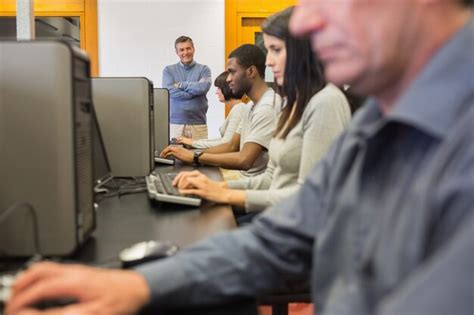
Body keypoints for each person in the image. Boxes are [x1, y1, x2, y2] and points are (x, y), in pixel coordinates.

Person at [6, 0, 474, 314]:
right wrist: (140, 285)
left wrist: (222, 188)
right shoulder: (375, 122)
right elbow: (282, 237)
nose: (307, 23)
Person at [173, 7, 351, 216]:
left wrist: (225, 195)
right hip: (275, 215)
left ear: (300, 51)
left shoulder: (326, 102)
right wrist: (217, 188)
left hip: (291, 228)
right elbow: (270, 179)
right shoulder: (290, 103)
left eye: (276, 49)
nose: (268, 61)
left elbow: (310, 197)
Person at [161, 44, 279, 177]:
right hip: (245, 179)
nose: (228, 79)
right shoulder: (250, 106)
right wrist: (191, 153)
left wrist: (194, 156)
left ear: (251, 71)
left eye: (232, 72)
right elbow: (231, 146)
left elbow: (244, 160)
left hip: (254, 185)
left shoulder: (267, 106)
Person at [177, 71, 246, 149]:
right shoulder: (237, 108)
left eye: (219, 88)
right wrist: (193, 142)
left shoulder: (239, 109)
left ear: (228, 88)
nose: (217, 92)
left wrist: (193, 143)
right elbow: (223, 140)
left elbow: (226, 143)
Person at [163, 36, 211, 140]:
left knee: (199, 155)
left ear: (193, 49)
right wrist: (194, 91)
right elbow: (169, 91)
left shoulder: (204, 69)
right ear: (177, 52)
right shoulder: (168, 70)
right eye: (181, 50)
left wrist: (181, 85)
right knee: (175, 155)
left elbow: (203, 87)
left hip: (198, 124)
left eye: (188, 48)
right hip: (175, 125)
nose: (185, 52)